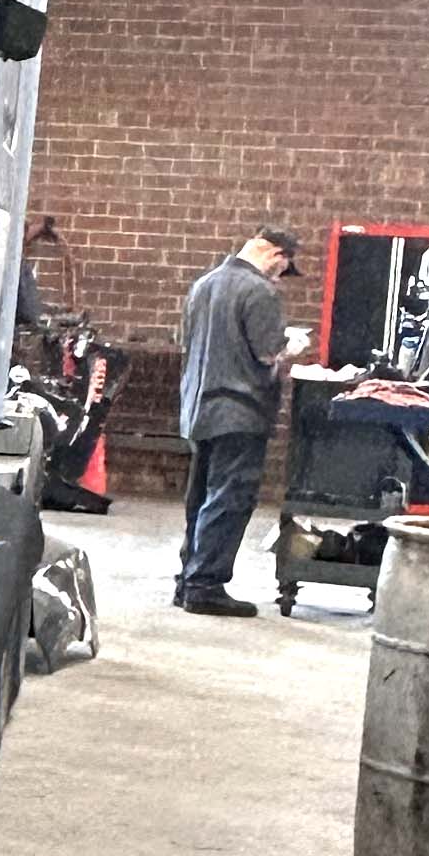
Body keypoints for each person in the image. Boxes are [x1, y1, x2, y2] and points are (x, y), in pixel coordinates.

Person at [175, 226, 303, 615]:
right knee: (230, 498)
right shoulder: (259, 291)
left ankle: (188, 580)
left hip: (199, 407)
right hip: (239, 411)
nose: (279, 276)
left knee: (200, 499)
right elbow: (267, 351)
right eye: (283, 268)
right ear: (276, 255)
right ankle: (206, 585)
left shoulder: (205, 284)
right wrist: (292, 345)